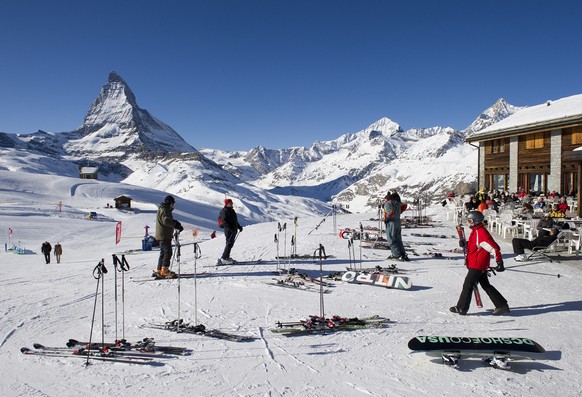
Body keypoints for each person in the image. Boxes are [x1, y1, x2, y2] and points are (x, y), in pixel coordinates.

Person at [450, 211, 509, 316]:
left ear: (475, 221)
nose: (468, 223)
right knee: (485, 285)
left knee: (468, 284)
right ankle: (502, 305)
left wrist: (499, 262)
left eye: (470, 221)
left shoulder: (481, 232)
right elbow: (477, 245)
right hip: (475, 262)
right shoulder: (476, 231)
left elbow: (494, 247)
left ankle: (461, 308)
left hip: (478, 264)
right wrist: (466, 244)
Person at [155, 195, 183, 277]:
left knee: (163, 253)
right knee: (168, 252)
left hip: (162, 235)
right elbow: (166, 221)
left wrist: (175, 222)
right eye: (173, 203)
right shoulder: (165, 209)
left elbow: (166, 219)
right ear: (170, 203)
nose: (173, 205)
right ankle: (165, 270)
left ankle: (159, 269)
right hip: (164, 235)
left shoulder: (162, 209)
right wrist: (175, 225)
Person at [383, 191, 409, 261]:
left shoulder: (388, 204)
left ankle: (396, 254)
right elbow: (405, 206)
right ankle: (402, 253)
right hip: (398, 221)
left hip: (391, 222)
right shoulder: (397, 203)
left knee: (391, 238)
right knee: (398, 238)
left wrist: (387, 219)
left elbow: (390, 212)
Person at [218, 198, 243, 265]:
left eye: (231, 203)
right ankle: (223, 258)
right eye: (230, 203)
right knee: (229, 243)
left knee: (230, 244)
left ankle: (226, 258)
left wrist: (239, 226)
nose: (231, 204)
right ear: (227, 204)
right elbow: (224, 221)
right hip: (229, 230)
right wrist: (230, 228)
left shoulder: (231, 210)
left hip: (233, 229)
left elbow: (234, 220)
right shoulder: (225, 211)